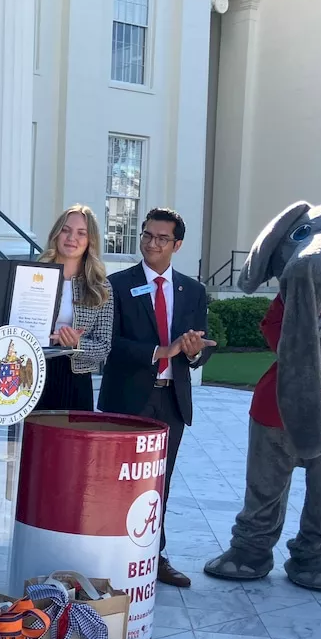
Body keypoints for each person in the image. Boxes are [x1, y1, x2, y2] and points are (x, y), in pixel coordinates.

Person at [97, 208, 216, 588]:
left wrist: (194, 350)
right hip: (127, 399)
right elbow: (109, 344)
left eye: (161, 238)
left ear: (177, 245)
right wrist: (158, 352)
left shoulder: (192, 291)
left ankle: (152, 557)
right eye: (147, 235)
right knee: (117, 481)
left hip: (171, 402)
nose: (151, 243)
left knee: (158, 484)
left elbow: (202, 347)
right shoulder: (116, 285)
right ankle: (109, 557)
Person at [34, 205, 115, 410]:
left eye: (81, 233)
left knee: (71, 442)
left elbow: (103, 348)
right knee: (31, 441)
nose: (72, 238)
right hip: (31, 372)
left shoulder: (100, 287)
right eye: (66, 230)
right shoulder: (32, 275)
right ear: (56, 234)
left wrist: (76, 343)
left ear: (90, 241)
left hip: (75, 380)